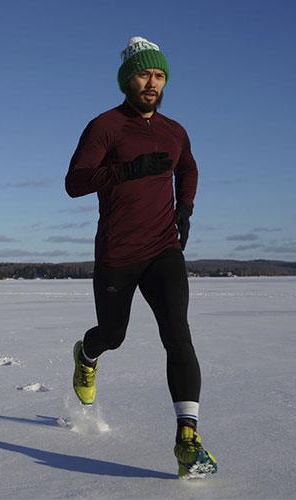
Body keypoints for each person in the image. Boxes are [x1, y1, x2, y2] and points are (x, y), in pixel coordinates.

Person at [64, 36, 216, 479]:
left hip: (163, 249)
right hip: (117, 252)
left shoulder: (174, 131)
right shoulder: (105, 126)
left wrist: (184, 208)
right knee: (113, 334)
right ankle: (87, 355)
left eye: (160, 75)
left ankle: (187, 438)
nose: (153, 82)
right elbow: (74, 182)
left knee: (178, 335)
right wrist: (125, 171)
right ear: (127, 79)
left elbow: (187, 166)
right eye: (145, 74)